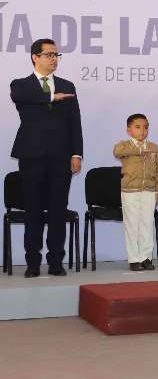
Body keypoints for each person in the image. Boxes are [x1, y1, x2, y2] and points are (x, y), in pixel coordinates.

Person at [10, 38, 83, 278]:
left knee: (57, 211)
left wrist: (76, 153)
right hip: (31, 156)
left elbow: (75, 124)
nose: (54, 59)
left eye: (56, 55)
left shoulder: (67, 84)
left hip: (61, 158)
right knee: (33, 210)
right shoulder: (22, 85)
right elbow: (23, 97)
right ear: (35, 57)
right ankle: (32, 262)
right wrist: (52, 97)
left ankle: (55, 262)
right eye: (49, 54)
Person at [113, 114, 158, 271]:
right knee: (132, 225)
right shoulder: (124, 146)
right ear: (129, 130)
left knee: (147, 225)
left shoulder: (153, 148)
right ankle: (134, 259)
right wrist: (138, 149)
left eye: (146, 127)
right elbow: (117, 152)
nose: (142, 131)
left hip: (149, 192)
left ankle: (146, 258)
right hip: (130, 191)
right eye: (138, 127)